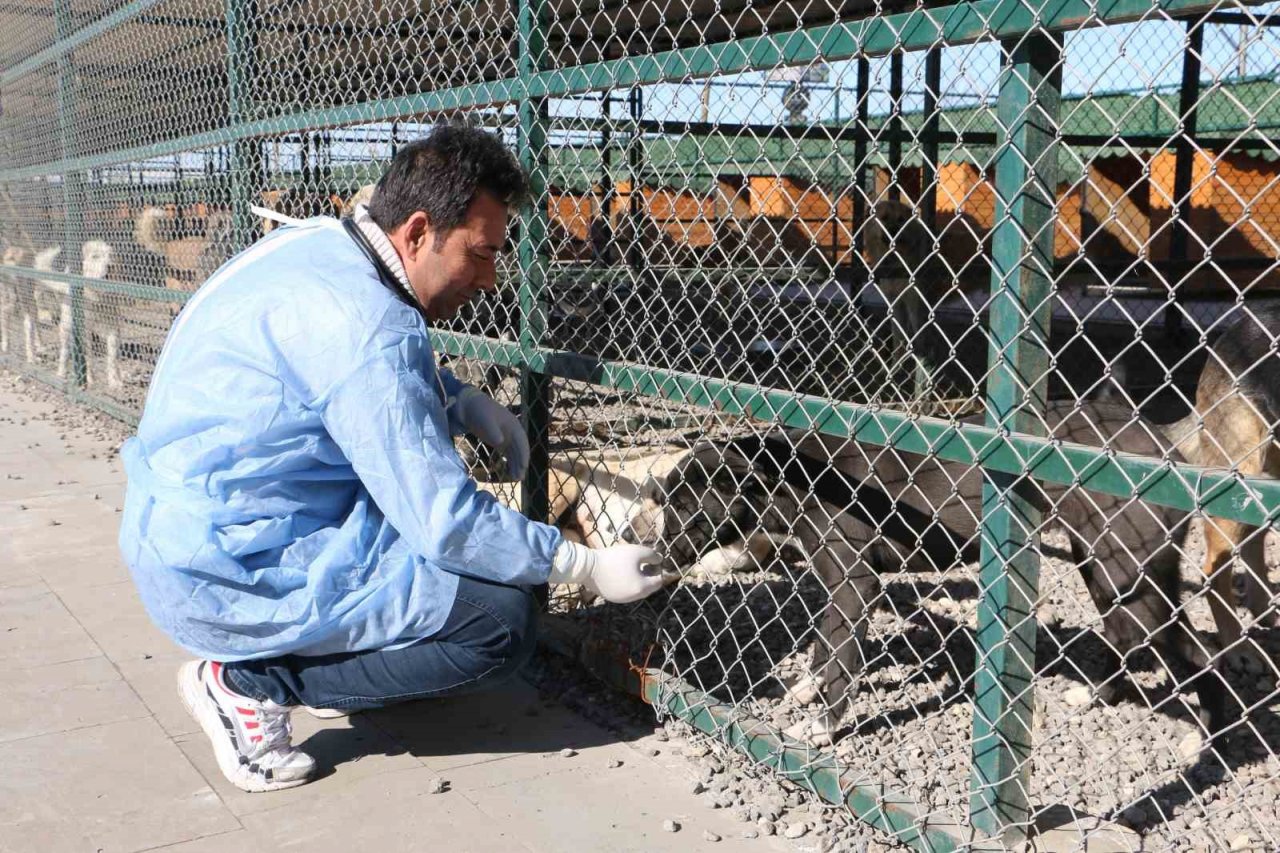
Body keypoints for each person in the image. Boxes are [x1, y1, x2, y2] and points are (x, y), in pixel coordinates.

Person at [118, 125, 668, 794]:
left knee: (502, 564)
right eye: (482, 253)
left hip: (195, 525)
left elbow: (337, 373)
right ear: (416, 232)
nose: (492, 279)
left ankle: (338, 665)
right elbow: (446, 520)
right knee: (501, 620)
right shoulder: (365, 331)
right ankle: (248, 683)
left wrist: (456, 396)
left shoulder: (323, 243)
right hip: (235, 563)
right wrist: (584, 563)